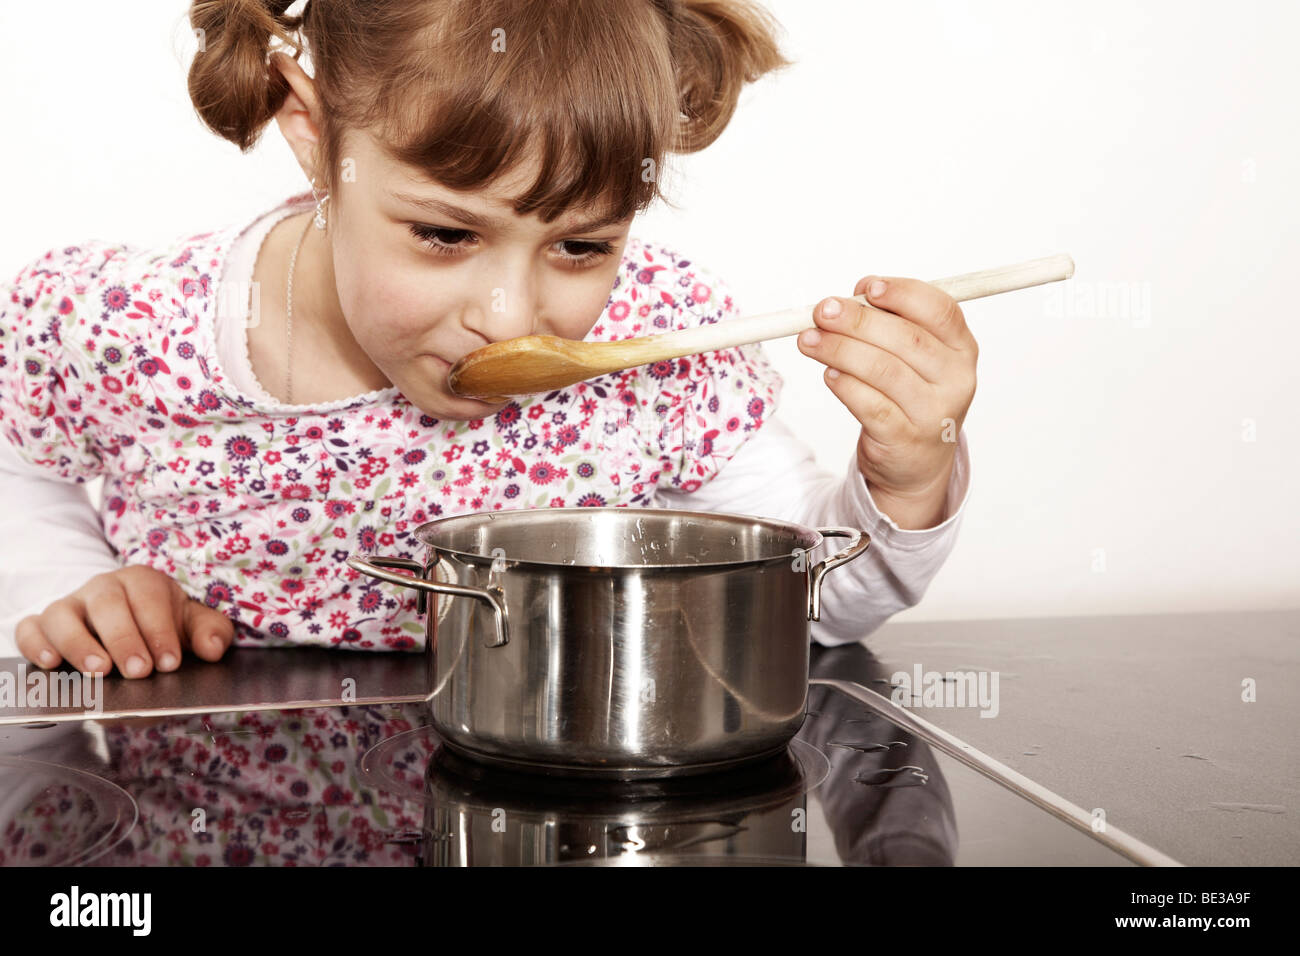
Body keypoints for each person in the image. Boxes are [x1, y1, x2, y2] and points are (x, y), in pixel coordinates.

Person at [0, 0, 975, 678]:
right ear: (312, 126)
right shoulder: (128, 325)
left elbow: (809, 607)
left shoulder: (659, 348)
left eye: (581, 244)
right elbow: (16, 455)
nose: (511, 316)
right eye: (446, 233)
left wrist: (903, 478)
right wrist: (73, 584)